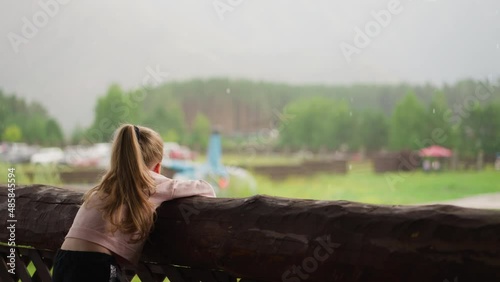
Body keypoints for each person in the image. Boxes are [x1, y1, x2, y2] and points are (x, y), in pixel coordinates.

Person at [52, 124, 215, 282]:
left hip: (63, 260)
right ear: (157, 166)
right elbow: (206, 188)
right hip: (95, 264)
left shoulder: (106, 185)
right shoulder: (153, 183)